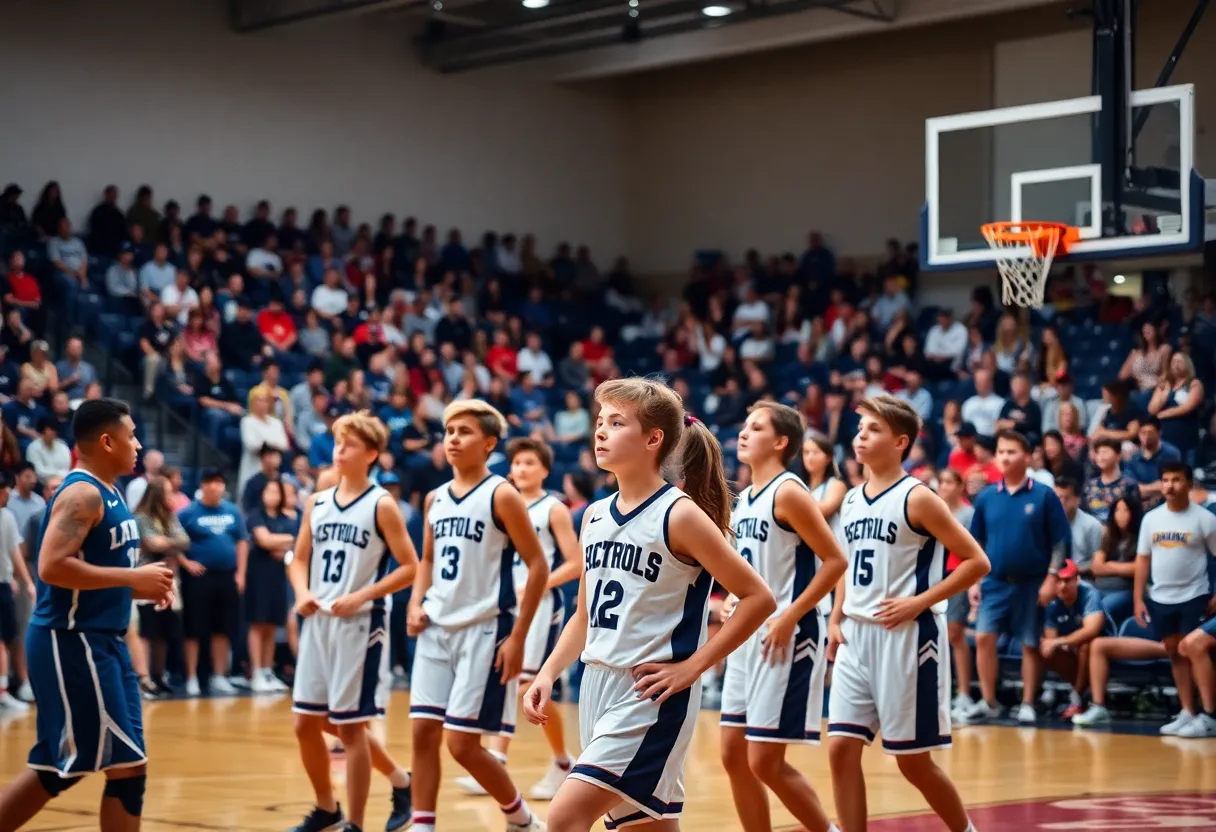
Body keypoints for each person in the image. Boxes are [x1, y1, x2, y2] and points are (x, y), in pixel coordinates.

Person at [522, 378, 776, 832]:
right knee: (642, 827)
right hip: (596, 683)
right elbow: (585, 614)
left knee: (562, 817)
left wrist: (692, 667)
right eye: (599, 421)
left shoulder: (680, 515)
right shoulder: (595, 515)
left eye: (616, 423)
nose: (600, 431)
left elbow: (759, 598)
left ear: (653, 438)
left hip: (652, 694)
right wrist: (547, 671)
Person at [0, 399, 174, 830]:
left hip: (104, 641)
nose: (137, 444)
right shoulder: (83, 492)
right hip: (71, 641)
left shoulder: (110, 491)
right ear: (106, 440)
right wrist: (133, 579)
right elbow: (52, 567)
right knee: (65, 768)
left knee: (129, 767)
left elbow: (99, 574)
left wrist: (140, 590)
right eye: (131, 435)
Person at [826, 395, 989, 832]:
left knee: (912, 763)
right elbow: (844, 564)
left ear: (901, 442)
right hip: (856, 637)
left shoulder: (918, 498)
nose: (861, 436)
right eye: (860, 429)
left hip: (908, 636)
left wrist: (921, 601)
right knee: (840, 747)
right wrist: (837, 618)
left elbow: (976, 562)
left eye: (873, 429)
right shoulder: (853, 501)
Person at [408, 400, 551, 832]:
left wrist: (519, 637)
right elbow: (427, 560)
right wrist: (417, 602)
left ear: (488, 443)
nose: (452, 438)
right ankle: (423, 824)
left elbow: (539, 565)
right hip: (436, 626)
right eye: (449, 430)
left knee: (462, 745)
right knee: (421, 734)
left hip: (485, 629)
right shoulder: (434, 498)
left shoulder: (501, 494)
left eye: (464, 431)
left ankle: (520, 817)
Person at [288, 410, 419, 832]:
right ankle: (331, 808)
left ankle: (356, 825)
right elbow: (300, 558)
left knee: (349, 727)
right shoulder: (317, 501)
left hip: (361, 625)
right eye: (337, 442)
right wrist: (303, 592)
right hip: (319, 621)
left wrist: (362, 595)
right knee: (305, 722)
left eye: (348, 445)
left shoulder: (382, 505)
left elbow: (410, 567)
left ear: (372, 454)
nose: (338, 451)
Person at [720, 403, 846, 832]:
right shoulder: (745, 499)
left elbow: (834, 561)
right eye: (744, 425)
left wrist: (791, 615)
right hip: (747, 634)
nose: (743, 433)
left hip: (787, 636)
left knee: (765, 761)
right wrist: (732, 600)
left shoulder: (789, 491)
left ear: (780, 442)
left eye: (755, 427)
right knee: (732, 755)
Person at [453, 438, 582, 801]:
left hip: (543, 604)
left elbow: (575, 563)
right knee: (510, 680)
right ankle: (502, 761)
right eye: (517, 463)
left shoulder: (553, 509)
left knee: (528, 686)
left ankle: (558, 760)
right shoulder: (500, 504)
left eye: (529, 463)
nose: (521, 469)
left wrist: (536, 585)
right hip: (506, 605)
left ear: (544, 469)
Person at [963, 431, 1070, 725]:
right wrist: (974, 581)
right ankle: (989, 702)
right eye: (1001, 451)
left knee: (1029, 643)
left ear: (1026, 456)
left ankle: (1028, 702)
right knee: (984, 637)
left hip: (1032, 582)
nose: (1005, 456)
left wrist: (1051, 578)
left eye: (1012, 451)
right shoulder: (986, 497)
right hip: (994, 581)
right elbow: (976, 543)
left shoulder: (1044, 495)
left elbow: (1060, 541)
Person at [1133, 462, 1216, 738]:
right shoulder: (1151, 519)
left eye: (1176, 480)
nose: (1170, 485)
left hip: (1194, 594)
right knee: (1174, 654)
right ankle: (1187, 711)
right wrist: (1138, 598)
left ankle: (1208, 714)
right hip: (1160, 596)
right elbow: (1142, 560)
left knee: (1192, 651)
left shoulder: (1205, 519)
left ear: (1189, 484)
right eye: (1165, 480)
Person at [177, 469, 249, 697]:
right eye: (211, 483)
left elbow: (242, 542)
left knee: (223, 628)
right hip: (198, 578)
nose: (216, 487)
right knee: (194, 629)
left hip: (226, 575)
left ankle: (219, 676)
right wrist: (186, 564)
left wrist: (241, 574)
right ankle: (191, 678)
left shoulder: (232, 511)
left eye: (219, 483)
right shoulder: (188, 513)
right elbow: (174, 542)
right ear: (203, 486)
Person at [132, 477, 189, 700]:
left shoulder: (170, 516)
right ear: (156, 494)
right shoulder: (141, 517)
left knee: (165, 632)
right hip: (144, 579)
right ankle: (143, 678)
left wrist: (166, 542)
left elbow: (185, 541)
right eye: (168, 492)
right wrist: (170, 542)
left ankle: (159, 675)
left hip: (168, 580)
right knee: (147, 631)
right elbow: (151, 544)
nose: (172, 495)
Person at [245, 478, 296, 694]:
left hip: (278, 575)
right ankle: (256, 671)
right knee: (258, 623)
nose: (273, 495)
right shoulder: (256, 515)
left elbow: (298, 541)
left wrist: (282, 543)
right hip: (259, 574)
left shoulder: (287, 518)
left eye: (277, 491)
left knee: (273, 625)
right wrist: (284, 541)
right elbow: (263, 540)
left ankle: (267, 670)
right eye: (270, 490)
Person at [935, 468, 976, 722]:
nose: (943, 486)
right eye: (940, 482)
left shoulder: (969, 514)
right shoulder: (935, 510)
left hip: (959, 575)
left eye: (949, 482)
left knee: (955, 634)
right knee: (940, 635)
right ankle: (943, 693)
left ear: (961, 486)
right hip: (936, 577)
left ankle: (963, 693)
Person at [1041, 559, 1106, 720]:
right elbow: (1051, 639)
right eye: (1058, 581)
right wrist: (1060, 643)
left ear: (1077, 579)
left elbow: (1092, 630)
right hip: (1069, 647)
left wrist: (1061, 642)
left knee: (1085, 645)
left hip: (1099, 647)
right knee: (1046, 650)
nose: (1062, 586)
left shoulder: (1090, 593)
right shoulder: (1051, 602)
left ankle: (1077, 695)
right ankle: (1079, 694)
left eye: (1067, 580)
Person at [0, 471, 34, 711]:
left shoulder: (8, 517)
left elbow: (15, 553)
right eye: (4, 490)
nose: (7, 494)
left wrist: (26, 581)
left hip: (3, 584)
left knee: (7, 638)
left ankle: (5, 690)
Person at [1053, 478, 1104, 577]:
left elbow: (1097, 563)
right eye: (1058, 498)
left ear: (1077, 500)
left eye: (1066, 498)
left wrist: (1073, 570)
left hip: (1082, 576)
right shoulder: (1046, 523)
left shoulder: (1092, 525)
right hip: (1053, 576)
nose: (1061, 502)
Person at [1084, 438, 1139, 524]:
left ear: (1118, 455)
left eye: (1105, 452)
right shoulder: (1089, 485)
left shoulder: (1129, 485)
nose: (1100, 457)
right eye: (1098, 453)